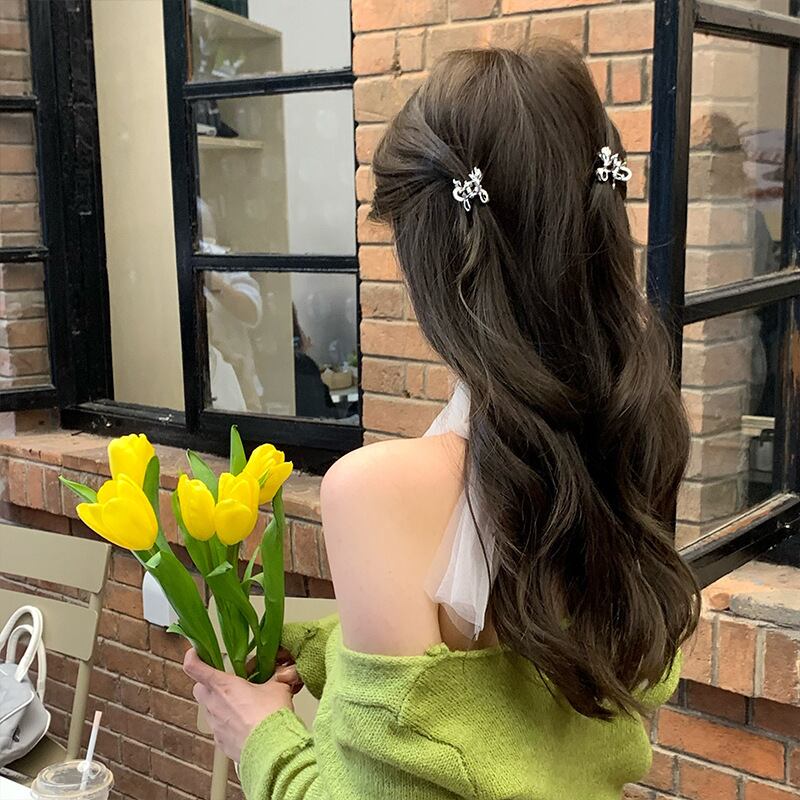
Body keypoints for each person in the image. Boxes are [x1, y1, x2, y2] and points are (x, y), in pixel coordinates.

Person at [184, 43, 700, 799]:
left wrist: (259, 738)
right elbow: (512, 691)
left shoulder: (377, 491)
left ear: (436, 262)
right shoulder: (636, 437)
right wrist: (324, 653)